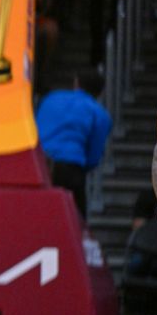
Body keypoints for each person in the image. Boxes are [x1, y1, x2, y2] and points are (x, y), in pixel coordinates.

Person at [36, 72, 112, 219]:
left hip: (39, 164)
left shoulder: (51, 98)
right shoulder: (100, 115)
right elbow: (94, 156)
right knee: (75, 219)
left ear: (76, 83)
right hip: (69, 168)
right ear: (101, 92)